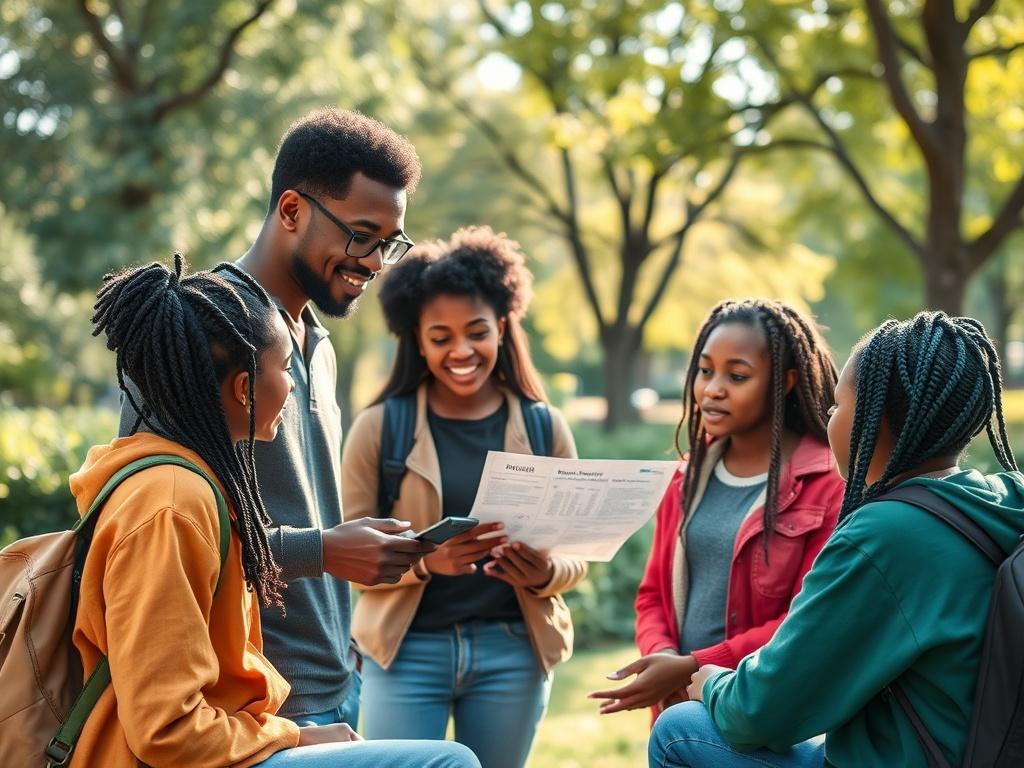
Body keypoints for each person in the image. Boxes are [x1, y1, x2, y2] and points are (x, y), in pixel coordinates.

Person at [74, 258, 478, 767]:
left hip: (240, 736)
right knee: (449, 761)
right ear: (244, 388)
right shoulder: (172, 505)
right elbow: (166, 729)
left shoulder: (194, 484)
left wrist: (292, 735)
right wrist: (292, 737)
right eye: (285, 368)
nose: (293, 385)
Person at [118, 108, 433, 727]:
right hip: (251, 707)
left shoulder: (318, 342)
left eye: (388, 244)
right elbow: (151, 522)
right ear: (292, 211)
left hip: (340, 681)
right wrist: (323, 551)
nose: (374, 261)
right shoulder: (191, 333)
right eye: (362, 235)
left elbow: (298, 507)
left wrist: (346, 561)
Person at [651, 311, 1024, 768]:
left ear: (871, 416)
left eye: (837, 407)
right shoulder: (1001, 498)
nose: (828, 418)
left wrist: (709, 679)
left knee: (678, 731)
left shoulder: (885, 535)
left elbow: (760, 713)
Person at [341, 226, 587, 768]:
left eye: (476, 332)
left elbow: (577, 559)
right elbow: (348, 560)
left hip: (512, 652)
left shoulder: (546, 429)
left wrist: (543, 571)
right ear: (417, 340)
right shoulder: (380, 429)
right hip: (405, 653)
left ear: (502, 326)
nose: (461, 351)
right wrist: (429, 561)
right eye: (440, 337)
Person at [589, 299, 844, 717]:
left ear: (786, 381)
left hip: (761, 711)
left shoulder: (827, 484)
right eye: (705, 371)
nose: (712, 389)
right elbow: (653, 593)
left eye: (737, 375)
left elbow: (809, 619)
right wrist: (662, 658)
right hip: (675, 709)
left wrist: (693, 666)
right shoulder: (685, 478)